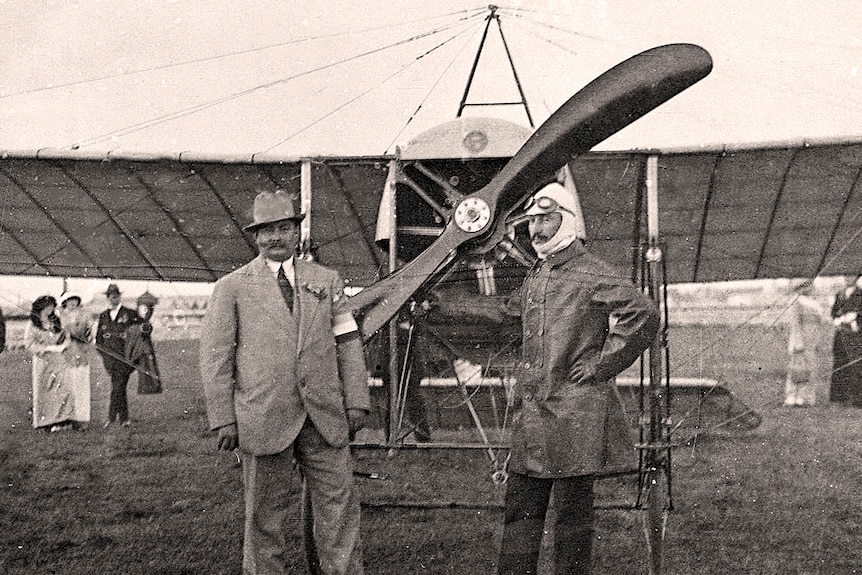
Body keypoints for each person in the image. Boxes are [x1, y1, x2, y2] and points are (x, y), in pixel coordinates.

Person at [200, 189, 371, 575]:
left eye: (283, 228)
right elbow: (216, 357)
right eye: (266, 231)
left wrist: (357, 399)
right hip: (262, 418)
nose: (275, 237)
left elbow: (347, 341)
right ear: (255, 237)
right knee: (264, 516)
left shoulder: (325, 280)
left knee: (339, 509)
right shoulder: (232, 287)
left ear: (297, 232)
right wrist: (223, 417)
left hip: (325, 418)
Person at [497, 182, 660, 575]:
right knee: (520, 513)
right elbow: (507, 313)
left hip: (574, 418)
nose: (536, 230)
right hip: (534, 417)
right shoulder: (539, 273)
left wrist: (601, 365)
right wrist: (441, 306)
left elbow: (644, 314)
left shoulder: (590, 271)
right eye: (532, 221)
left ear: (566, 222)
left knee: (572, 521)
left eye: (545, 220)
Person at [24, 295, 74, 432]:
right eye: (48, 307)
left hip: (59, 361)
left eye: (52, 306)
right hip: (43, 362)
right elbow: (29, 344)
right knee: (45, 391)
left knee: (63, 389)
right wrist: (47, 348)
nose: (50, 310)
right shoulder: (32, 324)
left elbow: (66, 336)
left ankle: (62, 420)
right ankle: (45, 421)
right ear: (40, 308)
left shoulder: (56, 322)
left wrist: (63, 345)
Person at [95, 283, 141, 427]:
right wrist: (104, 355)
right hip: (110, 359)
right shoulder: (103, 315)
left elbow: (140, 331)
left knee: (118, 386)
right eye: (111, 296)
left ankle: (111, 418)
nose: (113, 299)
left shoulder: (130, 314)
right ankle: (124, 419)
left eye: (116, 296)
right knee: (119, 387)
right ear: (107, 298)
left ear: (120, 297)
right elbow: (99, 339)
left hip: (125, 358)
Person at [784, 282, 827, 407]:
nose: (812, 288)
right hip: (802, 339)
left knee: (810, 368)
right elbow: (795, 323)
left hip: (813, 339)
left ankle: (805, 395)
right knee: (797, 367)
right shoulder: (797, 301)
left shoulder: (813, 302)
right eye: (808, 285)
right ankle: (792, 395)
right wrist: (798, 342)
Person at [58, 291, 93, 430]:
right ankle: (64, 420)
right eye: (69, 300)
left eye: (75, 300)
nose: (73, 303)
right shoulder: (58, 316)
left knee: (81, 389)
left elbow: (84, 334)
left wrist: (70, 328)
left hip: (81, 356)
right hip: (64, 358)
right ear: (65, 301)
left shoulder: (84, 315)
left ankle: (81, 420)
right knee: (65, 389)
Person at [830, 275, 862, 406]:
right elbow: (833, 312)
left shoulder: (859, 293)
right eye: (845, 277)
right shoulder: (840, 294)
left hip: (855, 334)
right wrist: (838, 319)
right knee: (840, 363)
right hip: (841, 333)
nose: (847, 279)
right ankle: (839, 396)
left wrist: (854, 320)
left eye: (850, 277)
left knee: (855, 366)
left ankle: (856, 397)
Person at [125, 291, 162, 395]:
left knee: (148, 366)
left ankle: (150, 387)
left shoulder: (143, 316)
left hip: (144, 345)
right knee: (146, 367)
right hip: (142, 346)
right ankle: (148, 387)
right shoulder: (138, 317)